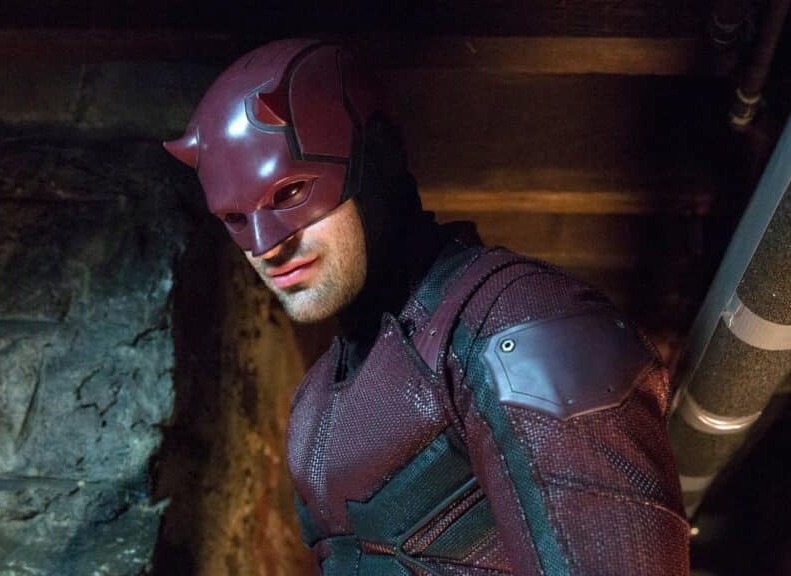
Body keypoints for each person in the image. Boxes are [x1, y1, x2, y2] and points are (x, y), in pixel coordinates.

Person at [165, 38, 689, 575]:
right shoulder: (319, 396)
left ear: (375, 162)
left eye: (290, 193)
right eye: (235, 219)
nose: (266, 246)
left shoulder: (515, 321)